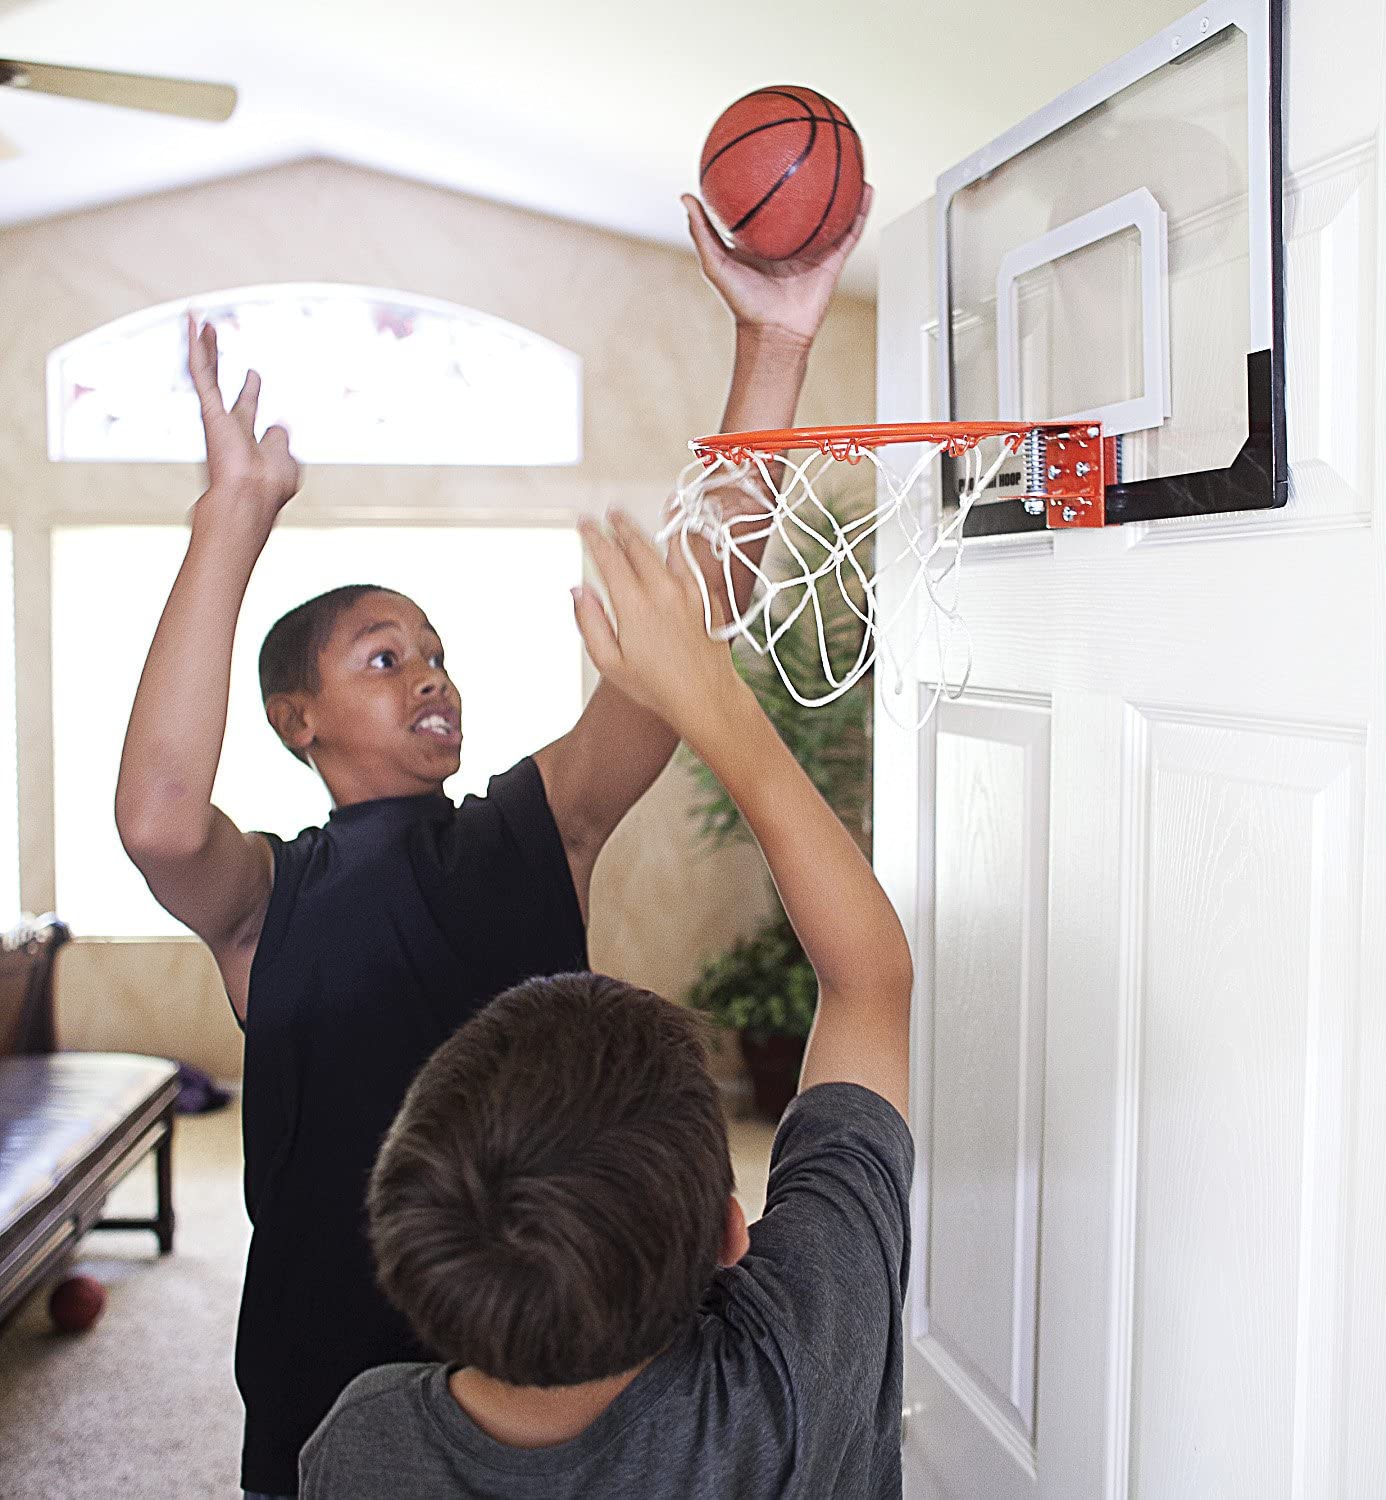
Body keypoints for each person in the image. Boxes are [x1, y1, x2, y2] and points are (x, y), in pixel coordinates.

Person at [113, 187, 872, 1500]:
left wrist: (775, 347)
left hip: (570, 1368)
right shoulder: (265, 900)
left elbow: (689, 629)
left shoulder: (532, 828)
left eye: (440, 653)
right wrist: (232, 512)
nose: (431, 675)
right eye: (384, 655)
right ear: (295, 717)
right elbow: (157, 819)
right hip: (329, 1379)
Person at [298, 511, 914, 1498]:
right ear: (728, 1235)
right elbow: (870, 981)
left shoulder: (363, 1444)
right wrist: (716, 702)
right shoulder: (787, 1377)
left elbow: (867, 984)